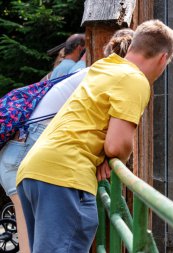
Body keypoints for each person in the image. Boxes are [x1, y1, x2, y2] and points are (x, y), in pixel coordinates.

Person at [16, 19, 173, 253]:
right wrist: (114, 155)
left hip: (35, 170)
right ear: (163, 59)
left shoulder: (105, 67)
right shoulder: (135, 79)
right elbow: (116, 145)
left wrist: (103, 152)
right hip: (65, 177)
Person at [0, 28, 134, 253]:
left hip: (17, 150)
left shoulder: (92, 73)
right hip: (28, 151)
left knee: (29, 245)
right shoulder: (110, 77)